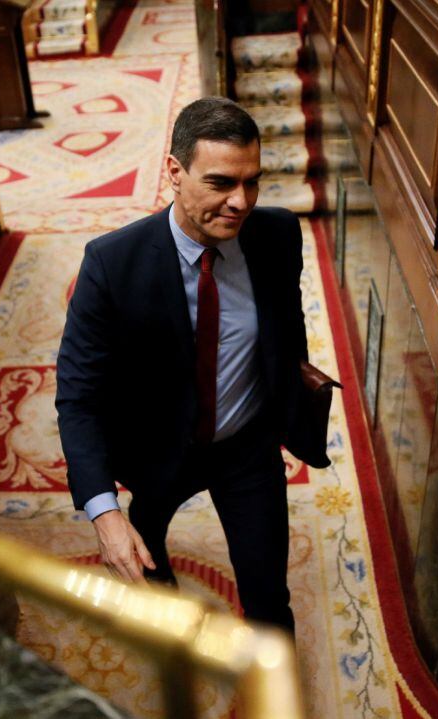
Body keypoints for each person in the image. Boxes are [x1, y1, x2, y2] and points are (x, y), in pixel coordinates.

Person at [55, 97, 326, 633]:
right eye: (221, 182)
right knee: (147, 562)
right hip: (155, 451)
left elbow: (286, 331)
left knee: (270, 598)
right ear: (175, 173)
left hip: (247, 446)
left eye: (252, 182)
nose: (240, 202)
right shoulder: (111, 264)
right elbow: (77, 396)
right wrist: (103, 513)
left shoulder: (276, 235)